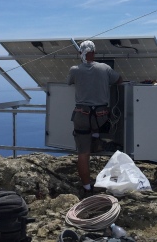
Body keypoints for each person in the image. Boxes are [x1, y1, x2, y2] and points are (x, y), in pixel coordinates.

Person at [67, 40, 122, 197]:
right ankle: (97, 141)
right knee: (105, 123)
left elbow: (69, 82)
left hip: (82, 116)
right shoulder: (104, 68)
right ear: (94, 52)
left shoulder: (75, 70)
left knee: (83, 154)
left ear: (81, 53)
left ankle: (87, 188)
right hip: (101, 118)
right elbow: (119, 80)